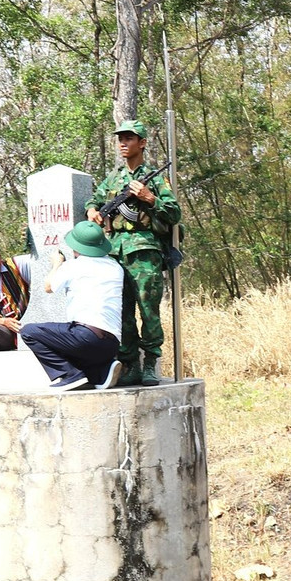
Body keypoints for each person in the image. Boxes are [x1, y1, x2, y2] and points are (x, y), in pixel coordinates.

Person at [88, 118, 180, 386]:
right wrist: (92, 210)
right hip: (115, 251)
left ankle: (150, 362)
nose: (123, 143)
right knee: (122, 311)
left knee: (148, 310)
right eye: (120, 139)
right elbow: (95, 199)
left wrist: (149, 198)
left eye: (129, 138)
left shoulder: (155, 177)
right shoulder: (115, 178)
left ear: (142, 143)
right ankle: (130, 364)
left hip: (143, 251)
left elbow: (174, 213)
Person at [20, 221, 124, 390]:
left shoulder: (74, 266)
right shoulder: (115, 267)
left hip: (86, 337)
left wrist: (56, 264)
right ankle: (101, 371)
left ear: (77, 247)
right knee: (70, 343)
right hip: (111, 343)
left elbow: (48, 286)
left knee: (29, 332)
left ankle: (70, 375)